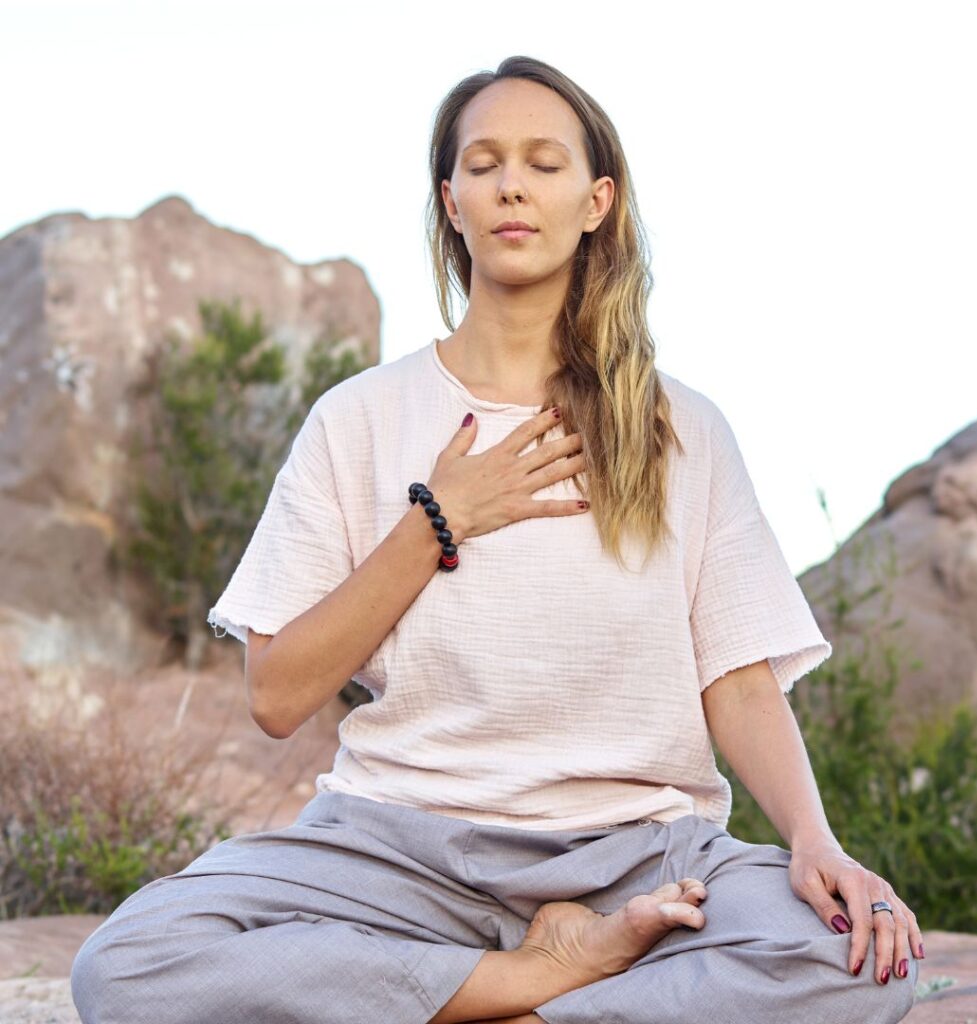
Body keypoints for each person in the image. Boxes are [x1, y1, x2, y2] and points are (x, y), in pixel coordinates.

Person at [70, 55, 922, 1024]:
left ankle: (493, 1010)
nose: (511, 183)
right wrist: (439, 519)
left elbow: (735, 676)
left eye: (543, 162)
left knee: (865, 956)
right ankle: (533, 979)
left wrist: (814, 840)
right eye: (483, 163)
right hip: (392, 845)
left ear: (597, 200)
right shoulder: (360, 417)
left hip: (639, 850)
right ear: (451, 200)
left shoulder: (682, 428)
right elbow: (276, 692)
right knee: (131, 963)